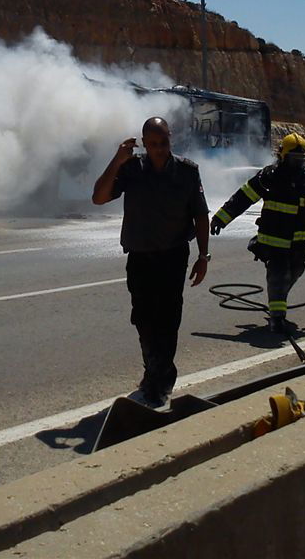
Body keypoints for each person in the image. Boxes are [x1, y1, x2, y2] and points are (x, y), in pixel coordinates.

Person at [92, 117, 209, 407]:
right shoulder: (132, 169)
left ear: (171, 139)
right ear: (144, 144)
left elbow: (201, 215)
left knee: (167, 322)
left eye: (164, 143)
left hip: (173, 256)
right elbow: (99, 197)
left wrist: (203, 255)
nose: (158, 149)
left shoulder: (187, 172)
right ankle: (153, 372)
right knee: (144, 320)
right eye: (153, 144)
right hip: (140, 257)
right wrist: (117, 159)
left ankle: (159, 384)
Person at [209, 133, 305, 333]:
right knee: (278, 275)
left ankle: (278, 301)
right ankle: (277, 319)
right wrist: (221, 218)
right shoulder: (270, 175)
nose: (298, 164)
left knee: (297, 269)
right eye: (294, 159)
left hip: (297, 239)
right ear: (282, 156)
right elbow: (243, 197)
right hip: (273, 238)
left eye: (302, 160)